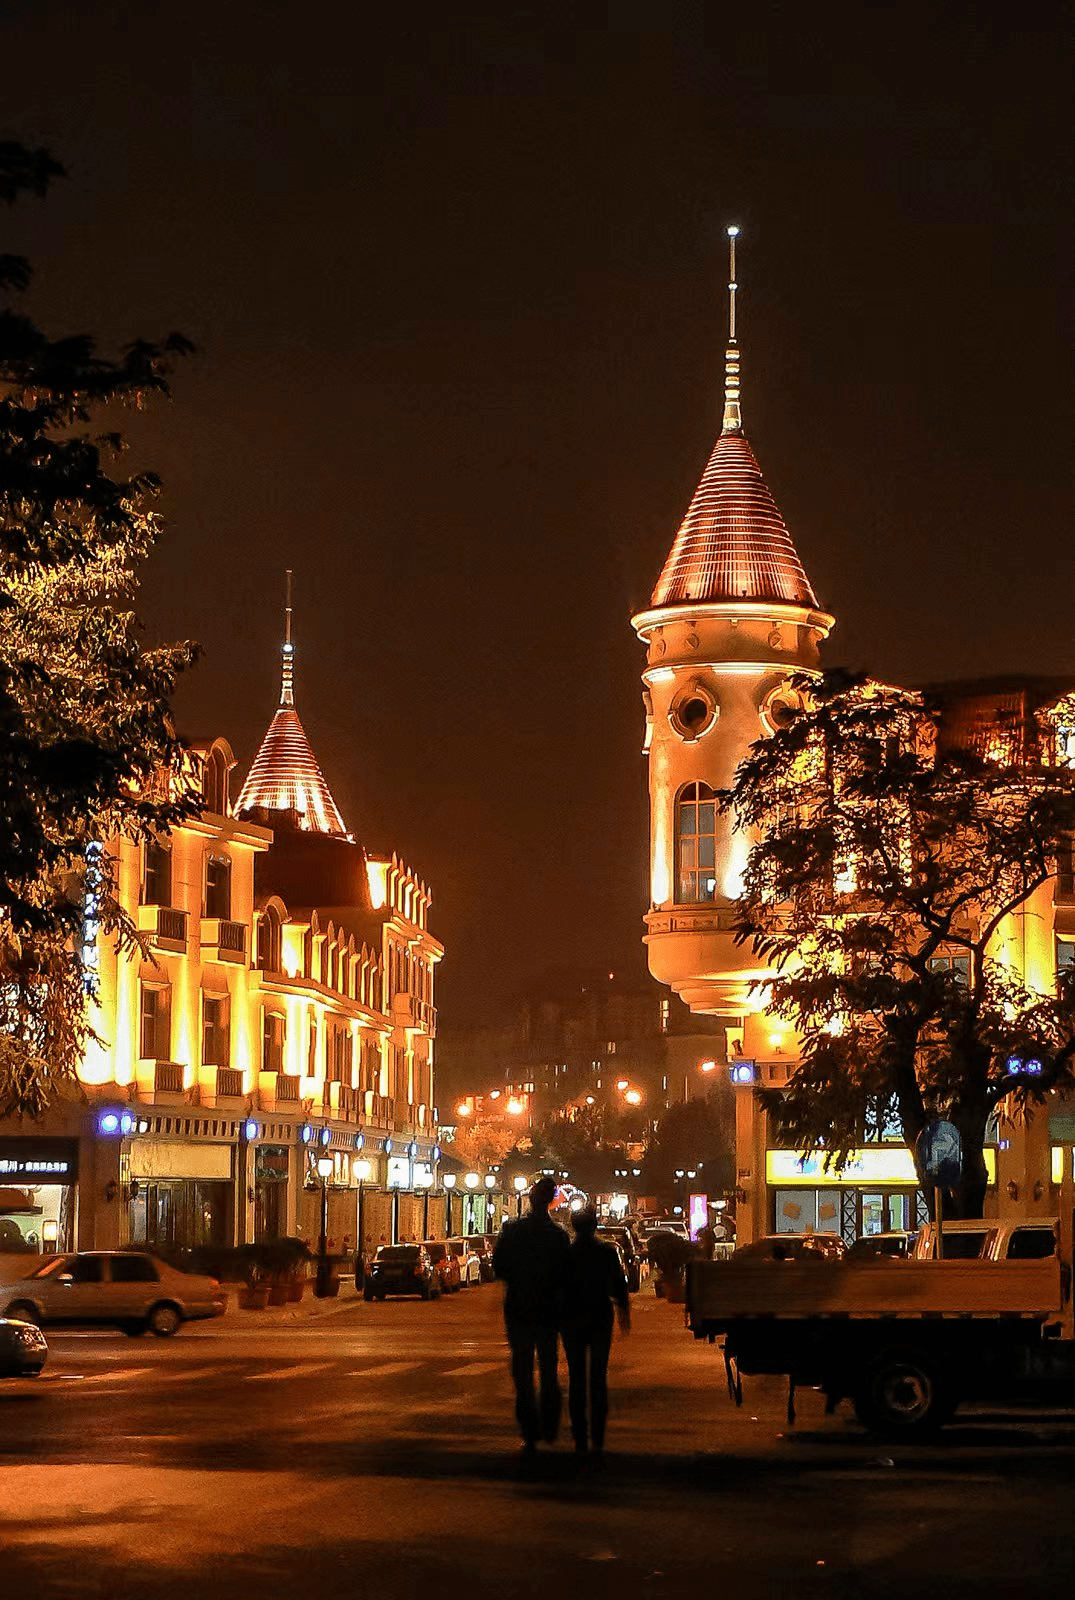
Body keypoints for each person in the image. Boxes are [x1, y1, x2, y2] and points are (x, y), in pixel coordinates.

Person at [492, 1176, 571, 1450]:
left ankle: (530, 1431)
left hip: (520, 1307)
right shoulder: (558, 1236)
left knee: (523, 1371)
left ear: (530, 1199)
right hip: (549, 1310)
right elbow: (566, 1275)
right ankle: (549, 1426)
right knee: (549, 1369)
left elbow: (499, 1267)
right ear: (551, 1201)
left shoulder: (513, 1231)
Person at [560, 1206, 630, 1455]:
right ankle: (597, 1436)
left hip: (572, 1318)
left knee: (577, 1376)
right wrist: (624, 1314)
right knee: (598, 1376)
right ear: (595, 1225)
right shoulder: (606, 1252)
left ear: (574, 1226)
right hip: (600, 1316)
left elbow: (556, 1287)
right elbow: (619, 1286)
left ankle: (580, 1434)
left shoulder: (566, 1253)